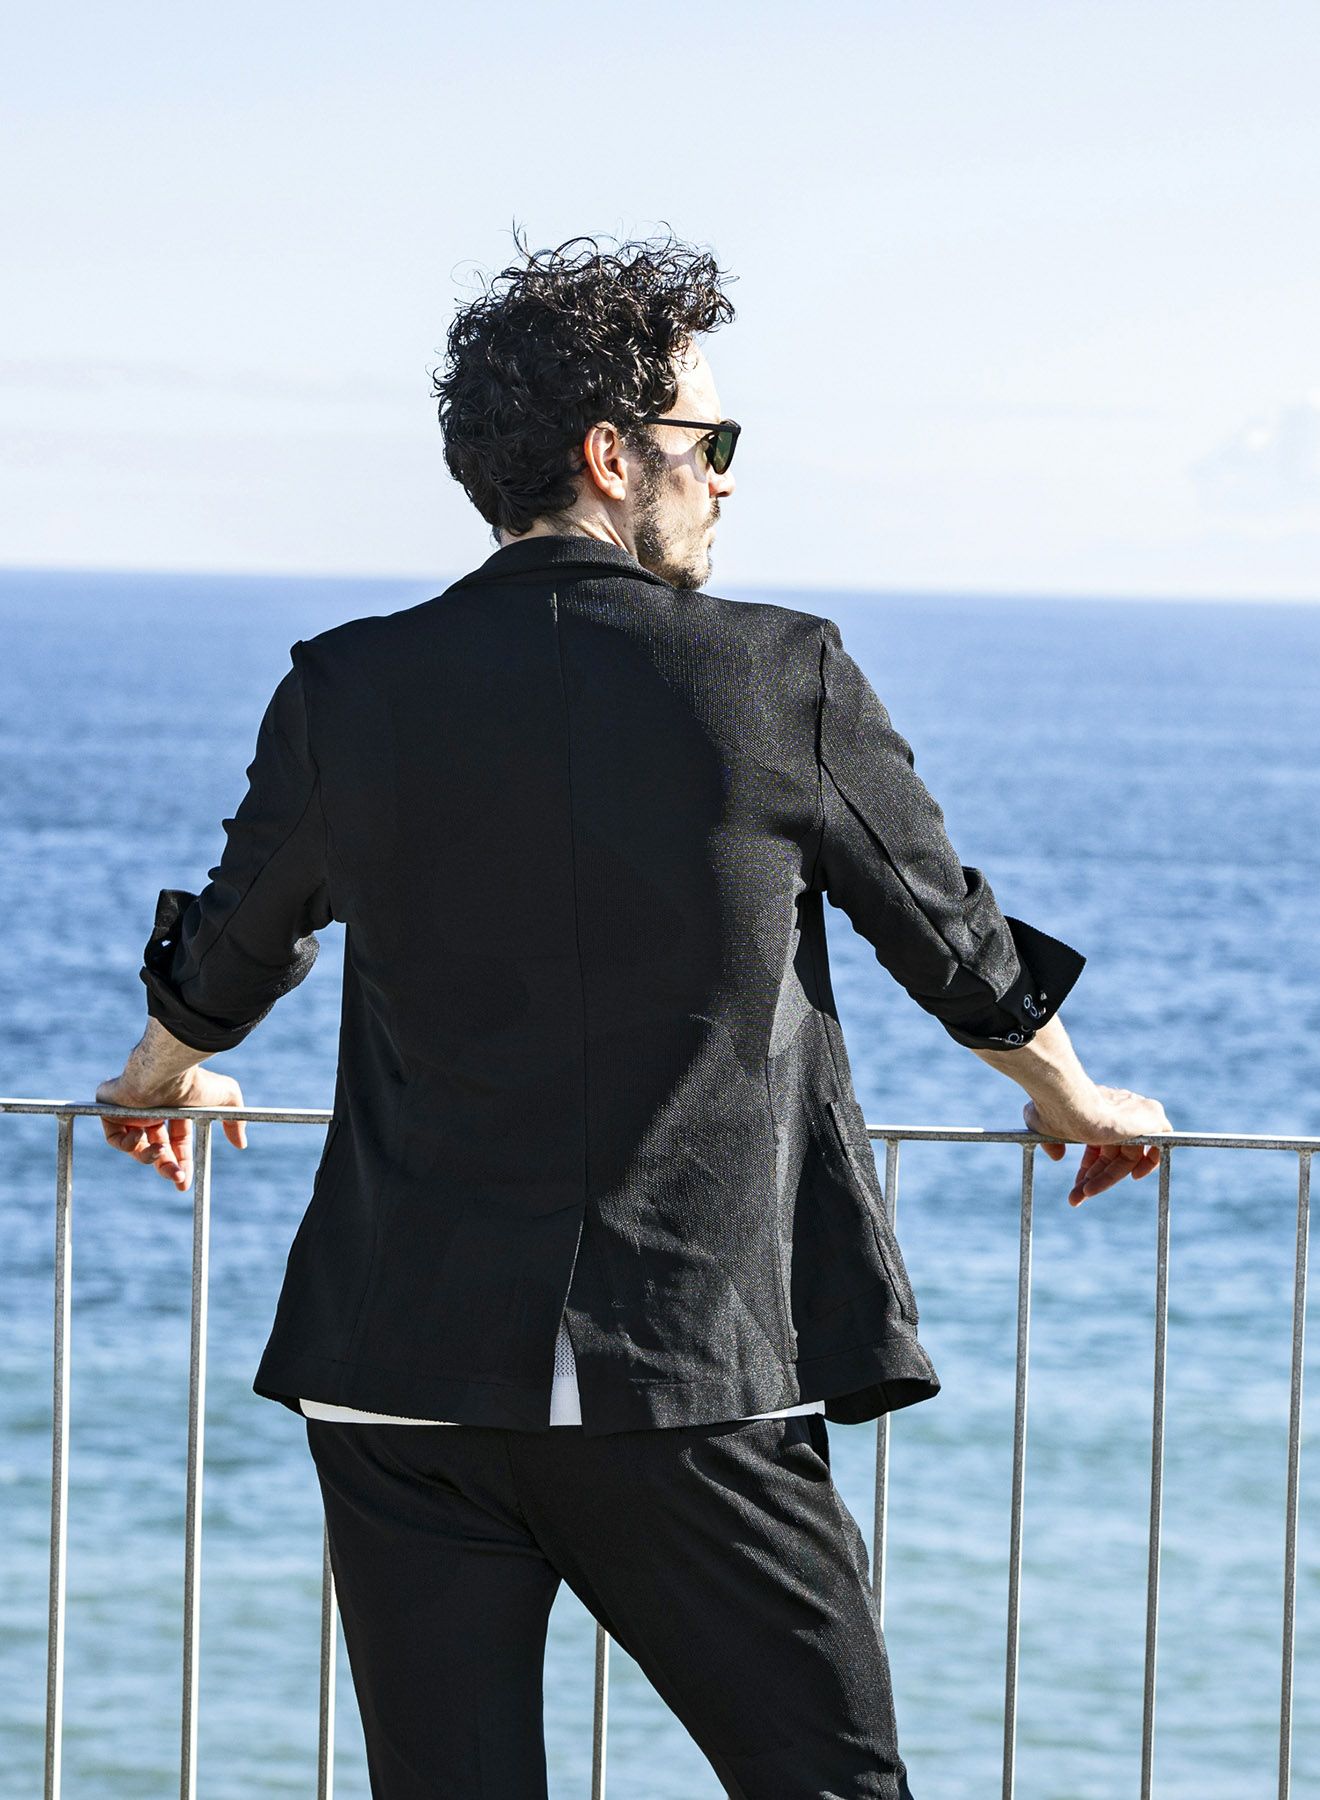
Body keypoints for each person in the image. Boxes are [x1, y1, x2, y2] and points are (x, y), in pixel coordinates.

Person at [95, 231, 1172, 1799]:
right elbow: (952, 942)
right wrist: (1072, 1097)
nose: (726, 477)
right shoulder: (780, 675)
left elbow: (232, 950)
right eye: (707, 441)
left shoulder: (348, 688)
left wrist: (156, 1078)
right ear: (614, 457)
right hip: (682, 1378)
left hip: (399, 1379)